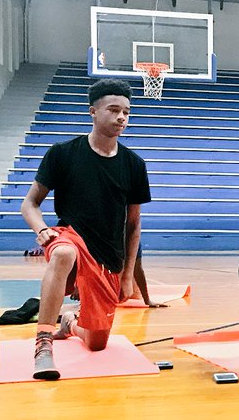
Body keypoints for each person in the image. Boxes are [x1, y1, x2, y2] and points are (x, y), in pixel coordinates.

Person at [21, 79, 151, 381]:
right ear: (93, 112)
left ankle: (70, 324)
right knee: (64, 252)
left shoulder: (134, 165)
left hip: (108, 258)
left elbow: (133, 226)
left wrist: (127, 274)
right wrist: (41, 230)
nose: (121, 118)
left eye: (127, 112)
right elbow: (30, 204)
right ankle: (43, 344)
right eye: (114, 110)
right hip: (70, 237)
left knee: (97, 343)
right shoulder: (62, 154)